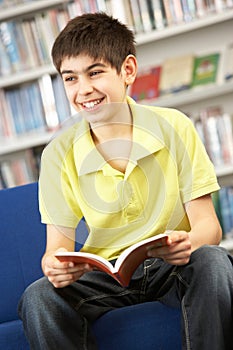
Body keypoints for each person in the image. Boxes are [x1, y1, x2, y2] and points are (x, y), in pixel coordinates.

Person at [18, 12, 233, 350]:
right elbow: (55, 249)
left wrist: (185, 244)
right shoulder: (57, 153)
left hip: (169, 267)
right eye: (70, 78)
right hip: (103, 277)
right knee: (38, 296)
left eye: (95, 73)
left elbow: (209, 228)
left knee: (214, 261)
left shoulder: (174, 126)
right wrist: (55, 267)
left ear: (128, 70)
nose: (83, 89)